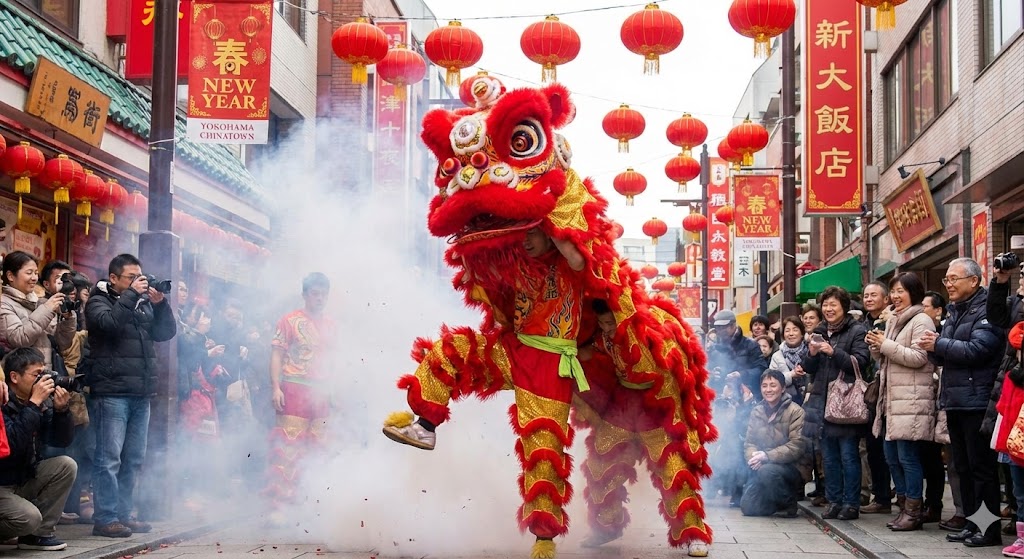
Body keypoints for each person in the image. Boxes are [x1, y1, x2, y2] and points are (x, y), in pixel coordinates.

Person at [383, 226, 589, 556]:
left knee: (543, 450)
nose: (526, 241)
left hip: (551, 364)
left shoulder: (571, 260)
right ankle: (425, 426)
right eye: (523, 234)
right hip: (512, 349)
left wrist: (547, 212)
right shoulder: (517, 262)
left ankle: (544, 537)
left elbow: (577, 258)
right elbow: (479, 266)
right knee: (453, 351)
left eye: (533, 233)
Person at [574, 300, 712, 557]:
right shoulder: (605, 340)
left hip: (656, 407)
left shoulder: (649, 333)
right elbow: (588, 353)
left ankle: (694, 533)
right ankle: (606, 526)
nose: (607, 329)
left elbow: (674, 370)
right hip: (623, 405)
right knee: (600, 462)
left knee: (673, 470)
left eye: (611, 323)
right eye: (602, 324)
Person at [82, 254, 176, 538]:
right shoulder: (98, 301)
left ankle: (125, 514)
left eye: (140, 276)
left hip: (141, 392)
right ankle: (106, 517)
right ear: (113, 278)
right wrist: (133, 295)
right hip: (112, 392)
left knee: (133, 458)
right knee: (109, 458)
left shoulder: (143, 304)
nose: (139, 282)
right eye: (131, 278)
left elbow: (165, 333)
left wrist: (160, 305)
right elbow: (109, 324)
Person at [921, 258, 1006, 548]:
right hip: (956, 400)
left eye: (954, 279)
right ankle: (971, 524)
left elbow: (979, 350)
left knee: (981, 469)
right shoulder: (955, 311)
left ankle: (988, 528)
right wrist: (934, 347)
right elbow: (948, 353)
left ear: (974, 280)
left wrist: (939, 345)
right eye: (946, 279)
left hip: (978, 401)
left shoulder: (988, 310)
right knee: (963, 467)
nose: (949, 284)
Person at [866, 273, 937, 531]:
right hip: (892, 400)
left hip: (911, 399)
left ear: (914, 293)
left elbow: (919, 358)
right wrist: (877, 347)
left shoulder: (921, 320)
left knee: (907, 457)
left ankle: (914, 512)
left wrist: (885, 345)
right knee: (891, 457)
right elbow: (888, 358)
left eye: (900, 291)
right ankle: (904, 507)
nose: (895, 296)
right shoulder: (894, 319)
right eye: (893, 291)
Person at [265, 273, 335, 522]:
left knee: (320, 448)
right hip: (294, 387)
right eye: (315, 293)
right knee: (289, 447)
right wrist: (276, 387)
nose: (320, 298)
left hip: (322, 391)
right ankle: (281, 508)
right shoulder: (289, 321)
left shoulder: (331, 324)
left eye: (323, 293)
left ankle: (314, 506)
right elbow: (276, 355)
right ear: (305, 294)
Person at [801, 286, 870, 521]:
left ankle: (851, 503)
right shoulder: (818, 331)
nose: (828, 309)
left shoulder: (857, 331)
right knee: (828, 458)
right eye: (825, 305)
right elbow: (807, 369)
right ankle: (833, 501)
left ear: (844, 307)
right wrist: (810, 353)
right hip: (822, 403)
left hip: (845, 404)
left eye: (833, 304)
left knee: (849, 456)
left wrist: (833, 352)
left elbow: (860, 362)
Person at [0, 347, 77, 550]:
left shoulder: (38, 403)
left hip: (22, 479)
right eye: (36, 374)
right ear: (14, 377)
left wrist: (62, 412)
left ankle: (37, 536)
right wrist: (34, 404)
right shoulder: (4, 402)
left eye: (44, 373)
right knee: (29, 518)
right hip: (1, 484)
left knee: (65, 465)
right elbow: (11, 446)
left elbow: (60, 441)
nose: (43, 380)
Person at [706, 309, 768, 507]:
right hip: (722, 403)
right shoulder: (714, 349)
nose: (721, 331)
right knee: (722, 446)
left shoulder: (750, 345)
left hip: (745, 404)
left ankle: (740, 492)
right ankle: (721, 486)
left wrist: (741, 375)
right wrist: (713, 376)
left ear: (733, 326)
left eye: (724, 327)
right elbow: (704, 374)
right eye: (718, 328)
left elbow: (761, 370)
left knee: (741, 446)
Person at [986, 260, 1024, 549]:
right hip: (1012, 391)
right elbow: (997, 316)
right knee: (1013, 464)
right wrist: (1000, 282)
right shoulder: (1017, 302)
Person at [740, 369, 809, 518]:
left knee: (768, 471)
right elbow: (749, 442)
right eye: (764, 386)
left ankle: (789, 503)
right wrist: (754, 457)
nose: (768, 390)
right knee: (748, 507)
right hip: (765, 465)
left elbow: (797, 446)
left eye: (773, 385)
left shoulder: (796, 412)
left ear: (783, 388)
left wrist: (767, 456)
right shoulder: (757, 411)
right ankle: (776, 500)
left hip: (792, 467)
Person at [0, 252, 76, 371]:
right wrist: (46, 309)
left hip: (44, 373)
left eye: (36, 273)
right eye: (29, 273)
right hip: (20, 378)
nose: (35, 278)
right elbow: (19, 338)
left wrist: (68, 318)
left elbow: (62, 343)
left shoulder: (39, 303)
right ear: (10, 276)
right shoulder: (4, 304)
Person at [859, 281, 894, 517]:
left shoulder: (892, 321)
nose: (869, 299)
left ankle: (904, 499)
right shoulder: (862, 325)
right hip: (870, 394)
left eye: (874, 295)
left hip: (892, 392)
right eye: (866, 295)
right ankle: (881, 496)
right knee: (873, 447)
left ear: (886, 299)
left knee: (893, 450)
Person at [768, 316, 809, 404]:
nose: (791, 334)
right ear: (783, 335)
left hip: (810, 400)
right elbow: (772, 382)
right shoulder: (777, 356)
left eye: (795, 330)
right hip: (786, 402)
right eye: (787, 331)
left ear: (802, 333)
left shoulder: (810, 352)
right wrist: (791, 375)